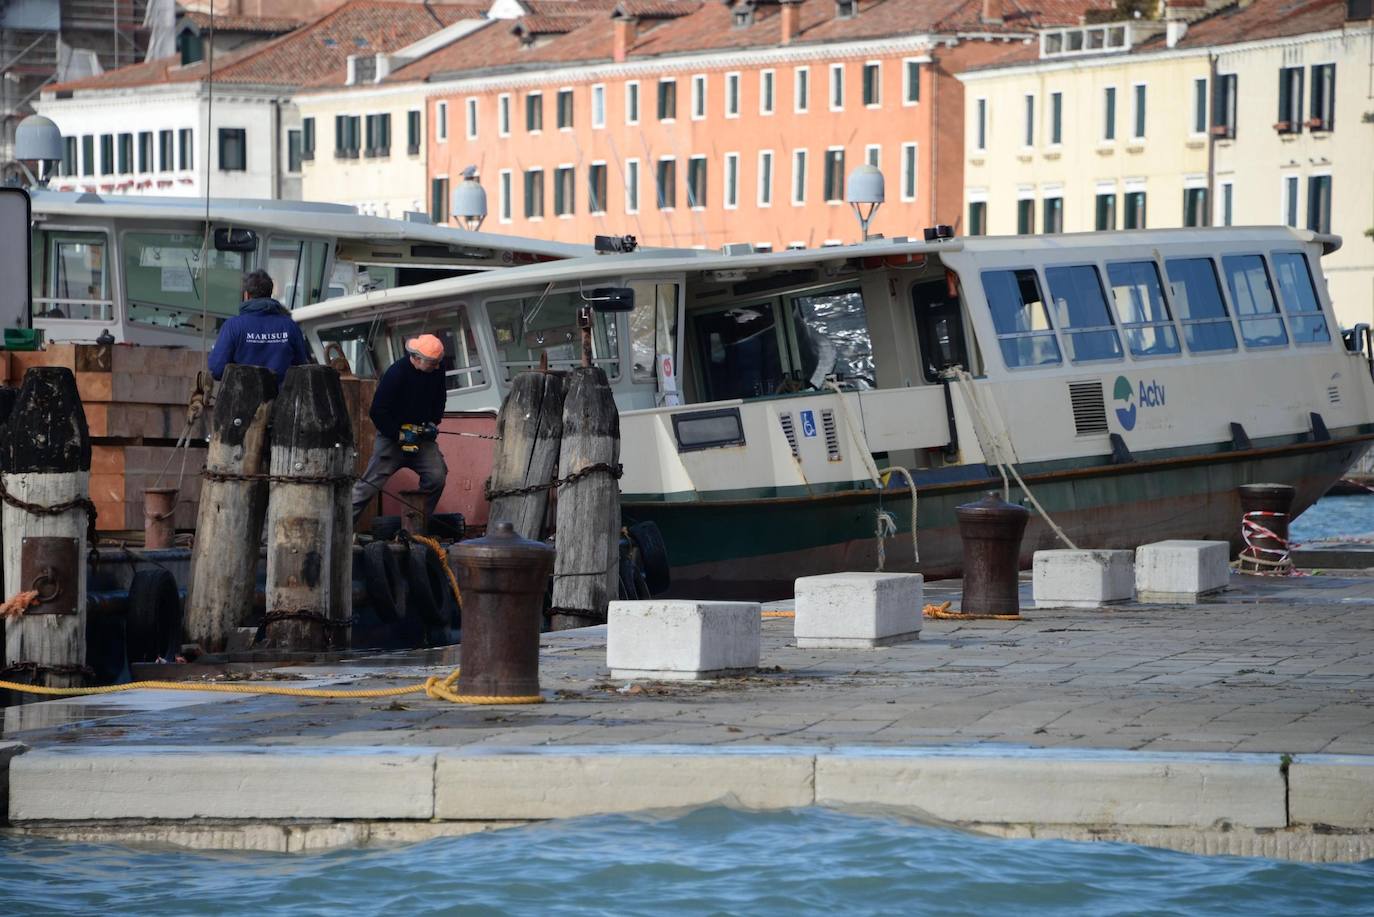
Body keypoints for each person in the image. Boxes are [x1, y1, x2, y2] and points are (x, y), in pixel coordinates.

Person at [351, 334, 449, 523]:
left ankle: (417, 525)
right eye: (433, 363)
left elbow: (440, 399)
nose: (437, 367)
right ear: (417, 358)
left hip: (421, 437)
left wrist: (433, 423)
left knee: (437, 477)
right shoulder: (396, 373)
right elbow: (377, 411)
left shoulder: (437, 369)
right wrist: (399, 434)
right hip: (391, 438)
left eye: (438, 362)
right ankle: (341, 531)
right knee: (367, 487)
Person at [207, 270, 310, 384]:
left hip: (241, 399)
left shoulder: (233, 326)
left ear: (246, 295)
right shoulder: (290, 326)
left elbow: (217, 369)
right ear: (270, 294)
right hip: (281, 400)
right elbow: (303, 368)